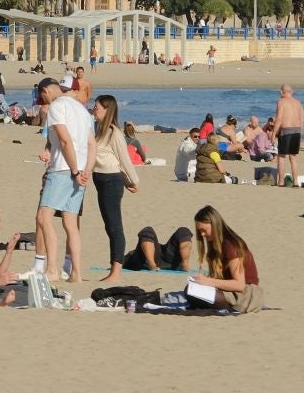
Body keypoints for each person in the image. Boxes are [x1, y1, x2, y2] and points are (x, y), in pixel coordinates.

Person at [33, 77, 93, 285]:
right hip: (80, 169)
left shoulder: (56, 107)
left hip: (64, 169)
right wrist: (86, 170)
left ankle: (52, 269)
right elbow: (90, 144)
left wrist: (76, 170)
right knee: (70, 221)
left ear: (45, 92)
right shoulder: (82, 110)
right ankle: (75, 272)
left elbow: (65, 140)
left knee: (44, 217)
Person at [88, 94, 140, 285]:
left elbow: (123, 159)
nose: (94, 110)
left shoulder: (114, 132)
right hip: (100, 180)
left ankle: (116, 271)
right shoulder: (99, 129)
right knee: (109, 226)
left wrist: (133, 181)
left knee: (114, 226)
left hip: (111, 182)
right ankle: (114, 269)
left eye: (97, 107)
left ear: (107, 110)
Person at [189, 206, 263, 312]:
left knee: (192, 293)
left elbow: (240, 285)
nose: (202, 234)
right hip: (230, 291)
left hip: (246, 295)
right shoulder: (216, 245)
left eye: (204, 230)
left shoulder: (231, 245)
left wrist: (208, 281)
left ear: (214, 225)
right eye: (199, 231)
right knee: (191, 290)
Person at [123, 226, 195, 272]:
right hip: (171, 262)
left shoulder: (132, 257)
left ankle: (151, 264)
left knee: (147, 231)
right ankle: (185, 264)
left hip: (146, 260)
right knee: (183, 231)